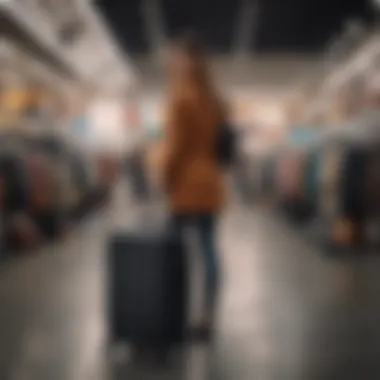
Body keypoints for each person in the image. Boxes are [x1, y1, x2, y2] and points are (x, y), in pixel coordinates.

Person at [162, 34, 226, 337]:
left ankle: (173, 312)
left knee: (173, 252)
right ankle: (208, 319)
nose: (173, 63)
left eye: (177, 57)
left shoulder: (180, 97)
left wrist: (163, 178)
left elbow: (175, 148)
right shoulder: (215, 99)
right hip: (211, 183)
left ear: (187, 62)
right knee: (210, 251)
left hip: (186, 184)